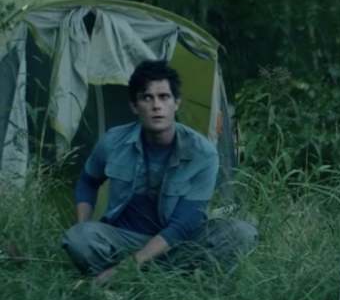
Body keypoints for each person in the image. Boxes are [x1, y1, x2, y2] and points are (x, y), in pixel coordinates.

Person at [62, 60, 256, 283]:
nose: (156, 106)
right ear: (134, 106)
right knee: (78, 238)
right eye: (147, 97)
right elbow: (88, 181)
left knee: (242, 233)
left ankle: (132, 278)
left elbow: (184, 225)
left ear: (176, 103)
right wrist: (83, 223)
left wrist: (126, 268)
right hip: (124, 239)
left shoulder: (203, 153)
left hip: (179, 244)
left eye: (164, 97)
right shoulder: (113, 141)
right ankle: (160, 278)